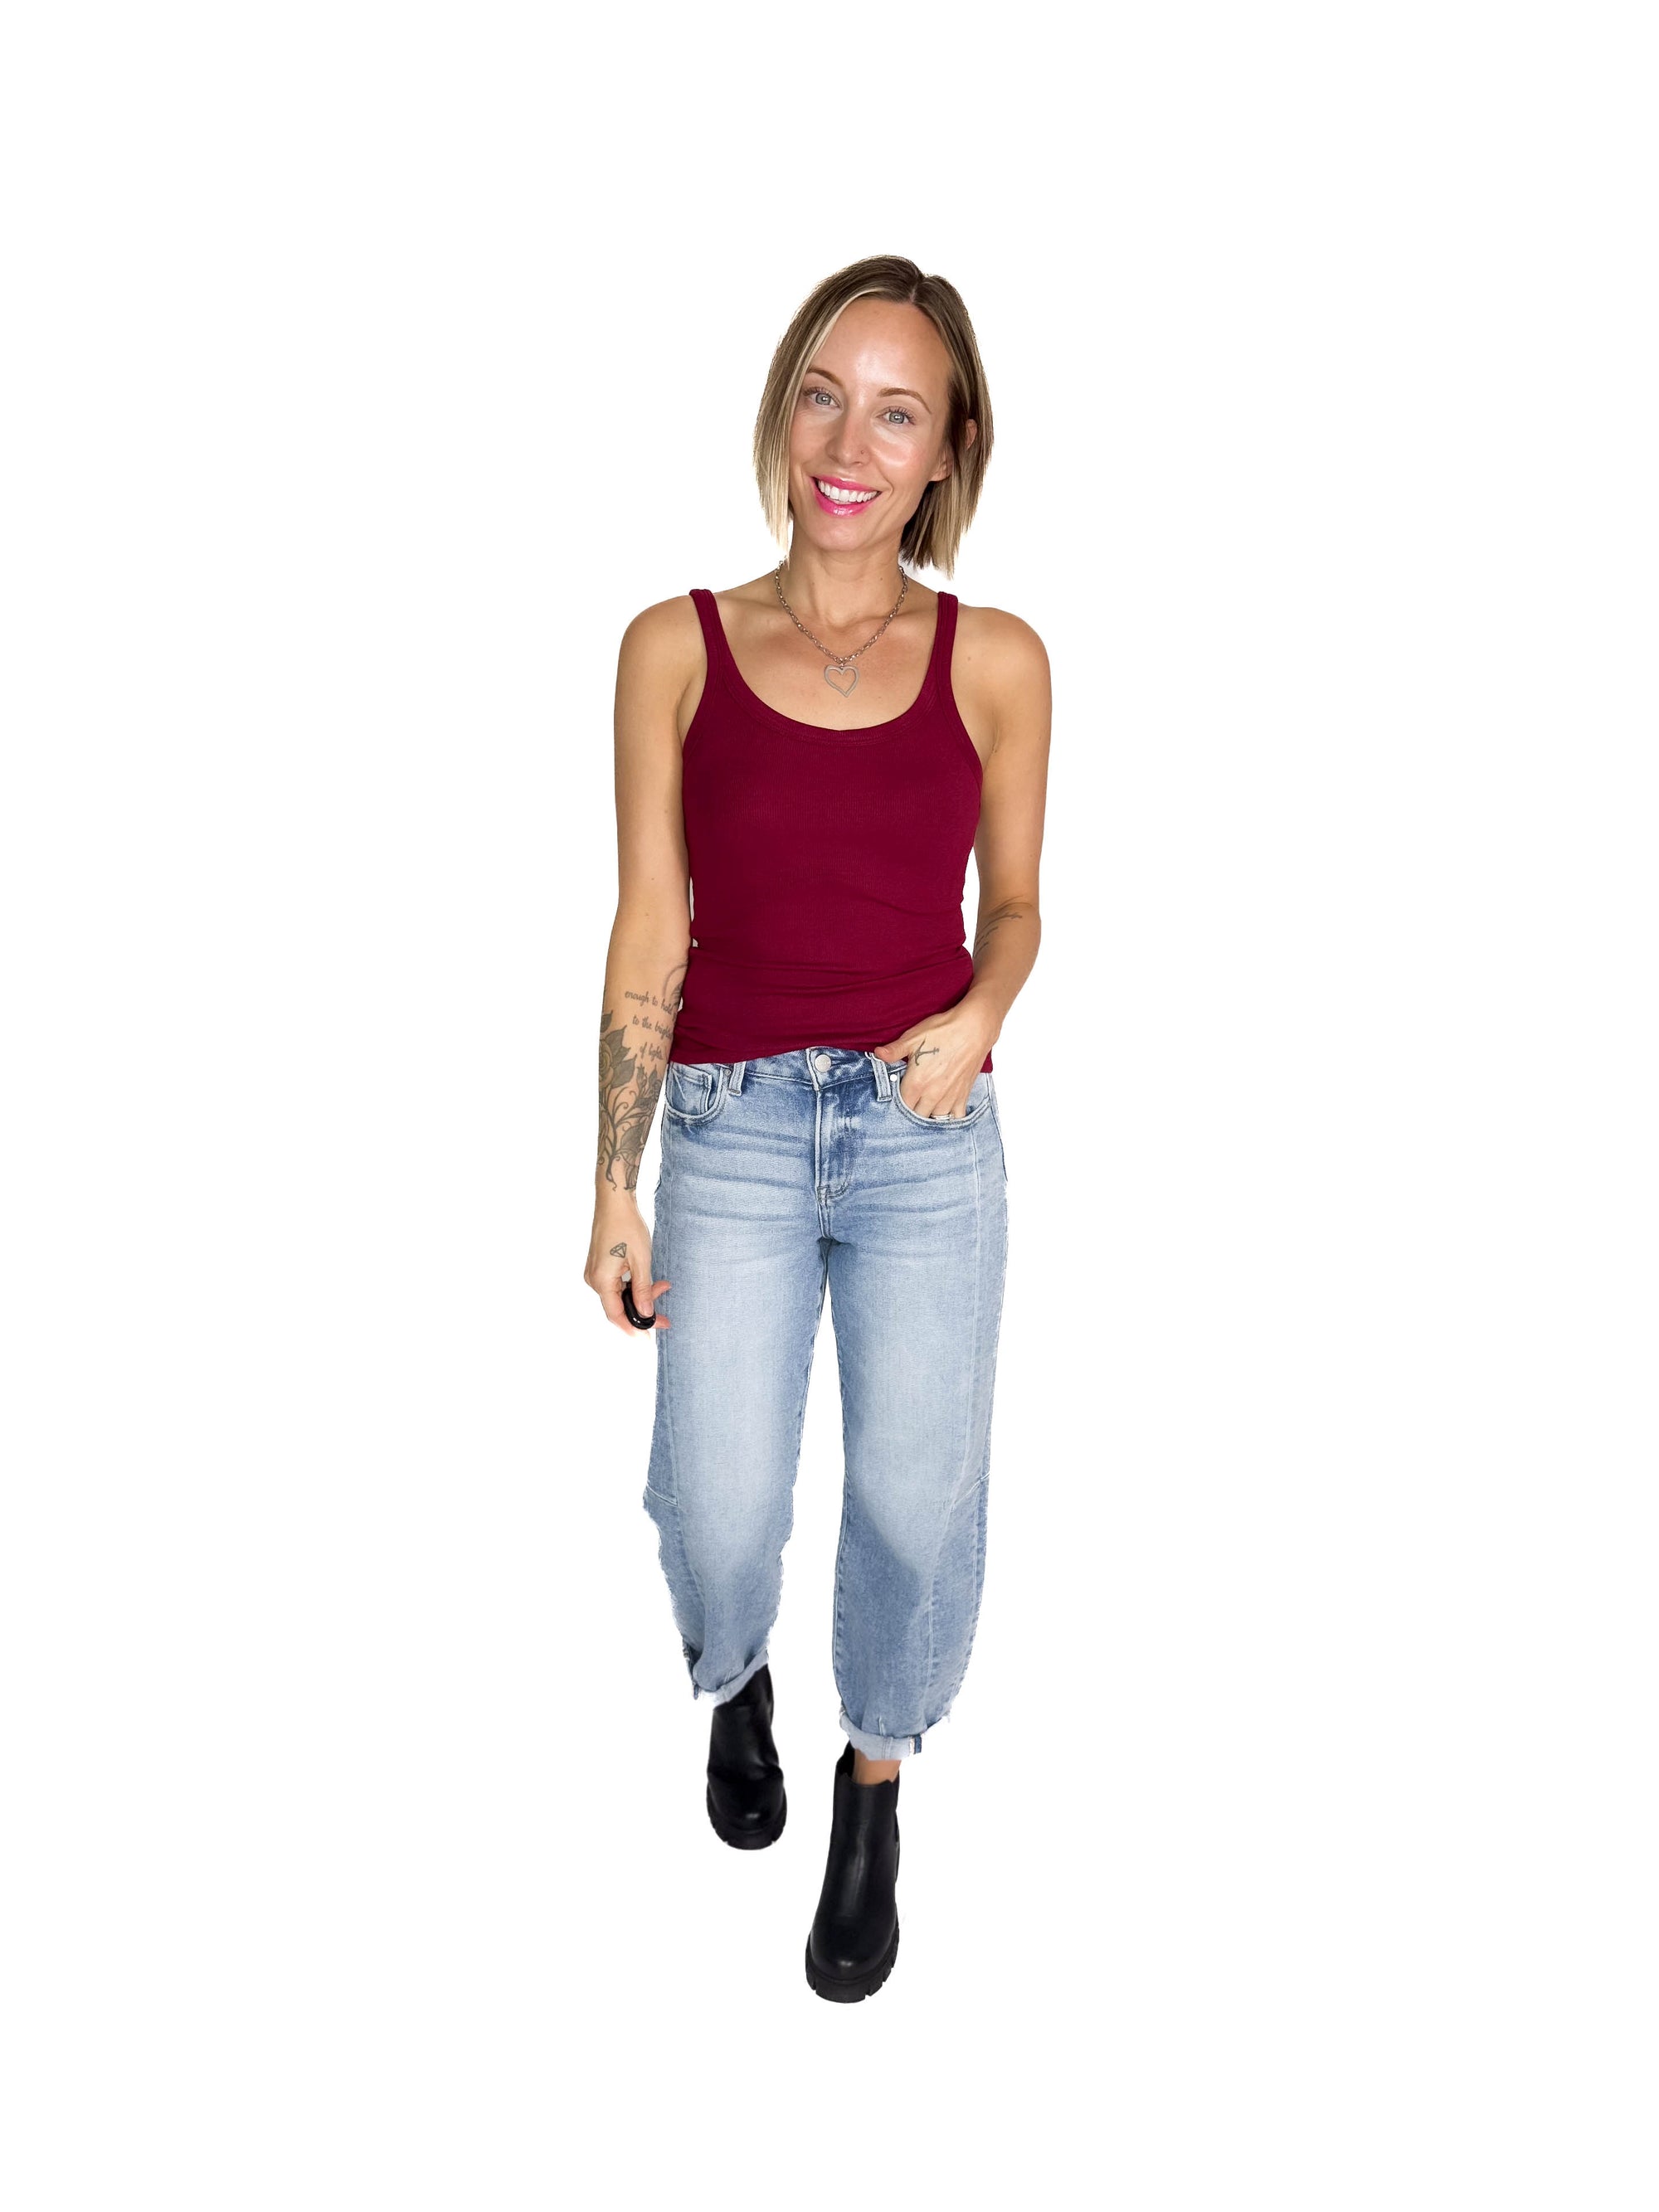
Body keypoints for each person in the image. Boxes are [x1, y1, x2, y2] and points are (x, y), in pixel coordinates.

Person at [586, 255, 1050, 2001]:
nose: (850, 446)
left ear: (947, 452)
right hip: (729, 1130)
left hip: (926, 1132)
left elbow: (1016, 906)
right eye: (823, 395)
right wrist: (612, 1183)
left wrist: (983, 1015)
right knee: (719, 1510)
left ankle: (874, 1784)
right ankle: (737, 1673)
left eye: (897, 414)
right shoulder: (674, 646)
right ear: (785, 407)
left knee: (915, 1505)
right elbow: (650, 922)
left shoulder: (996, 660)